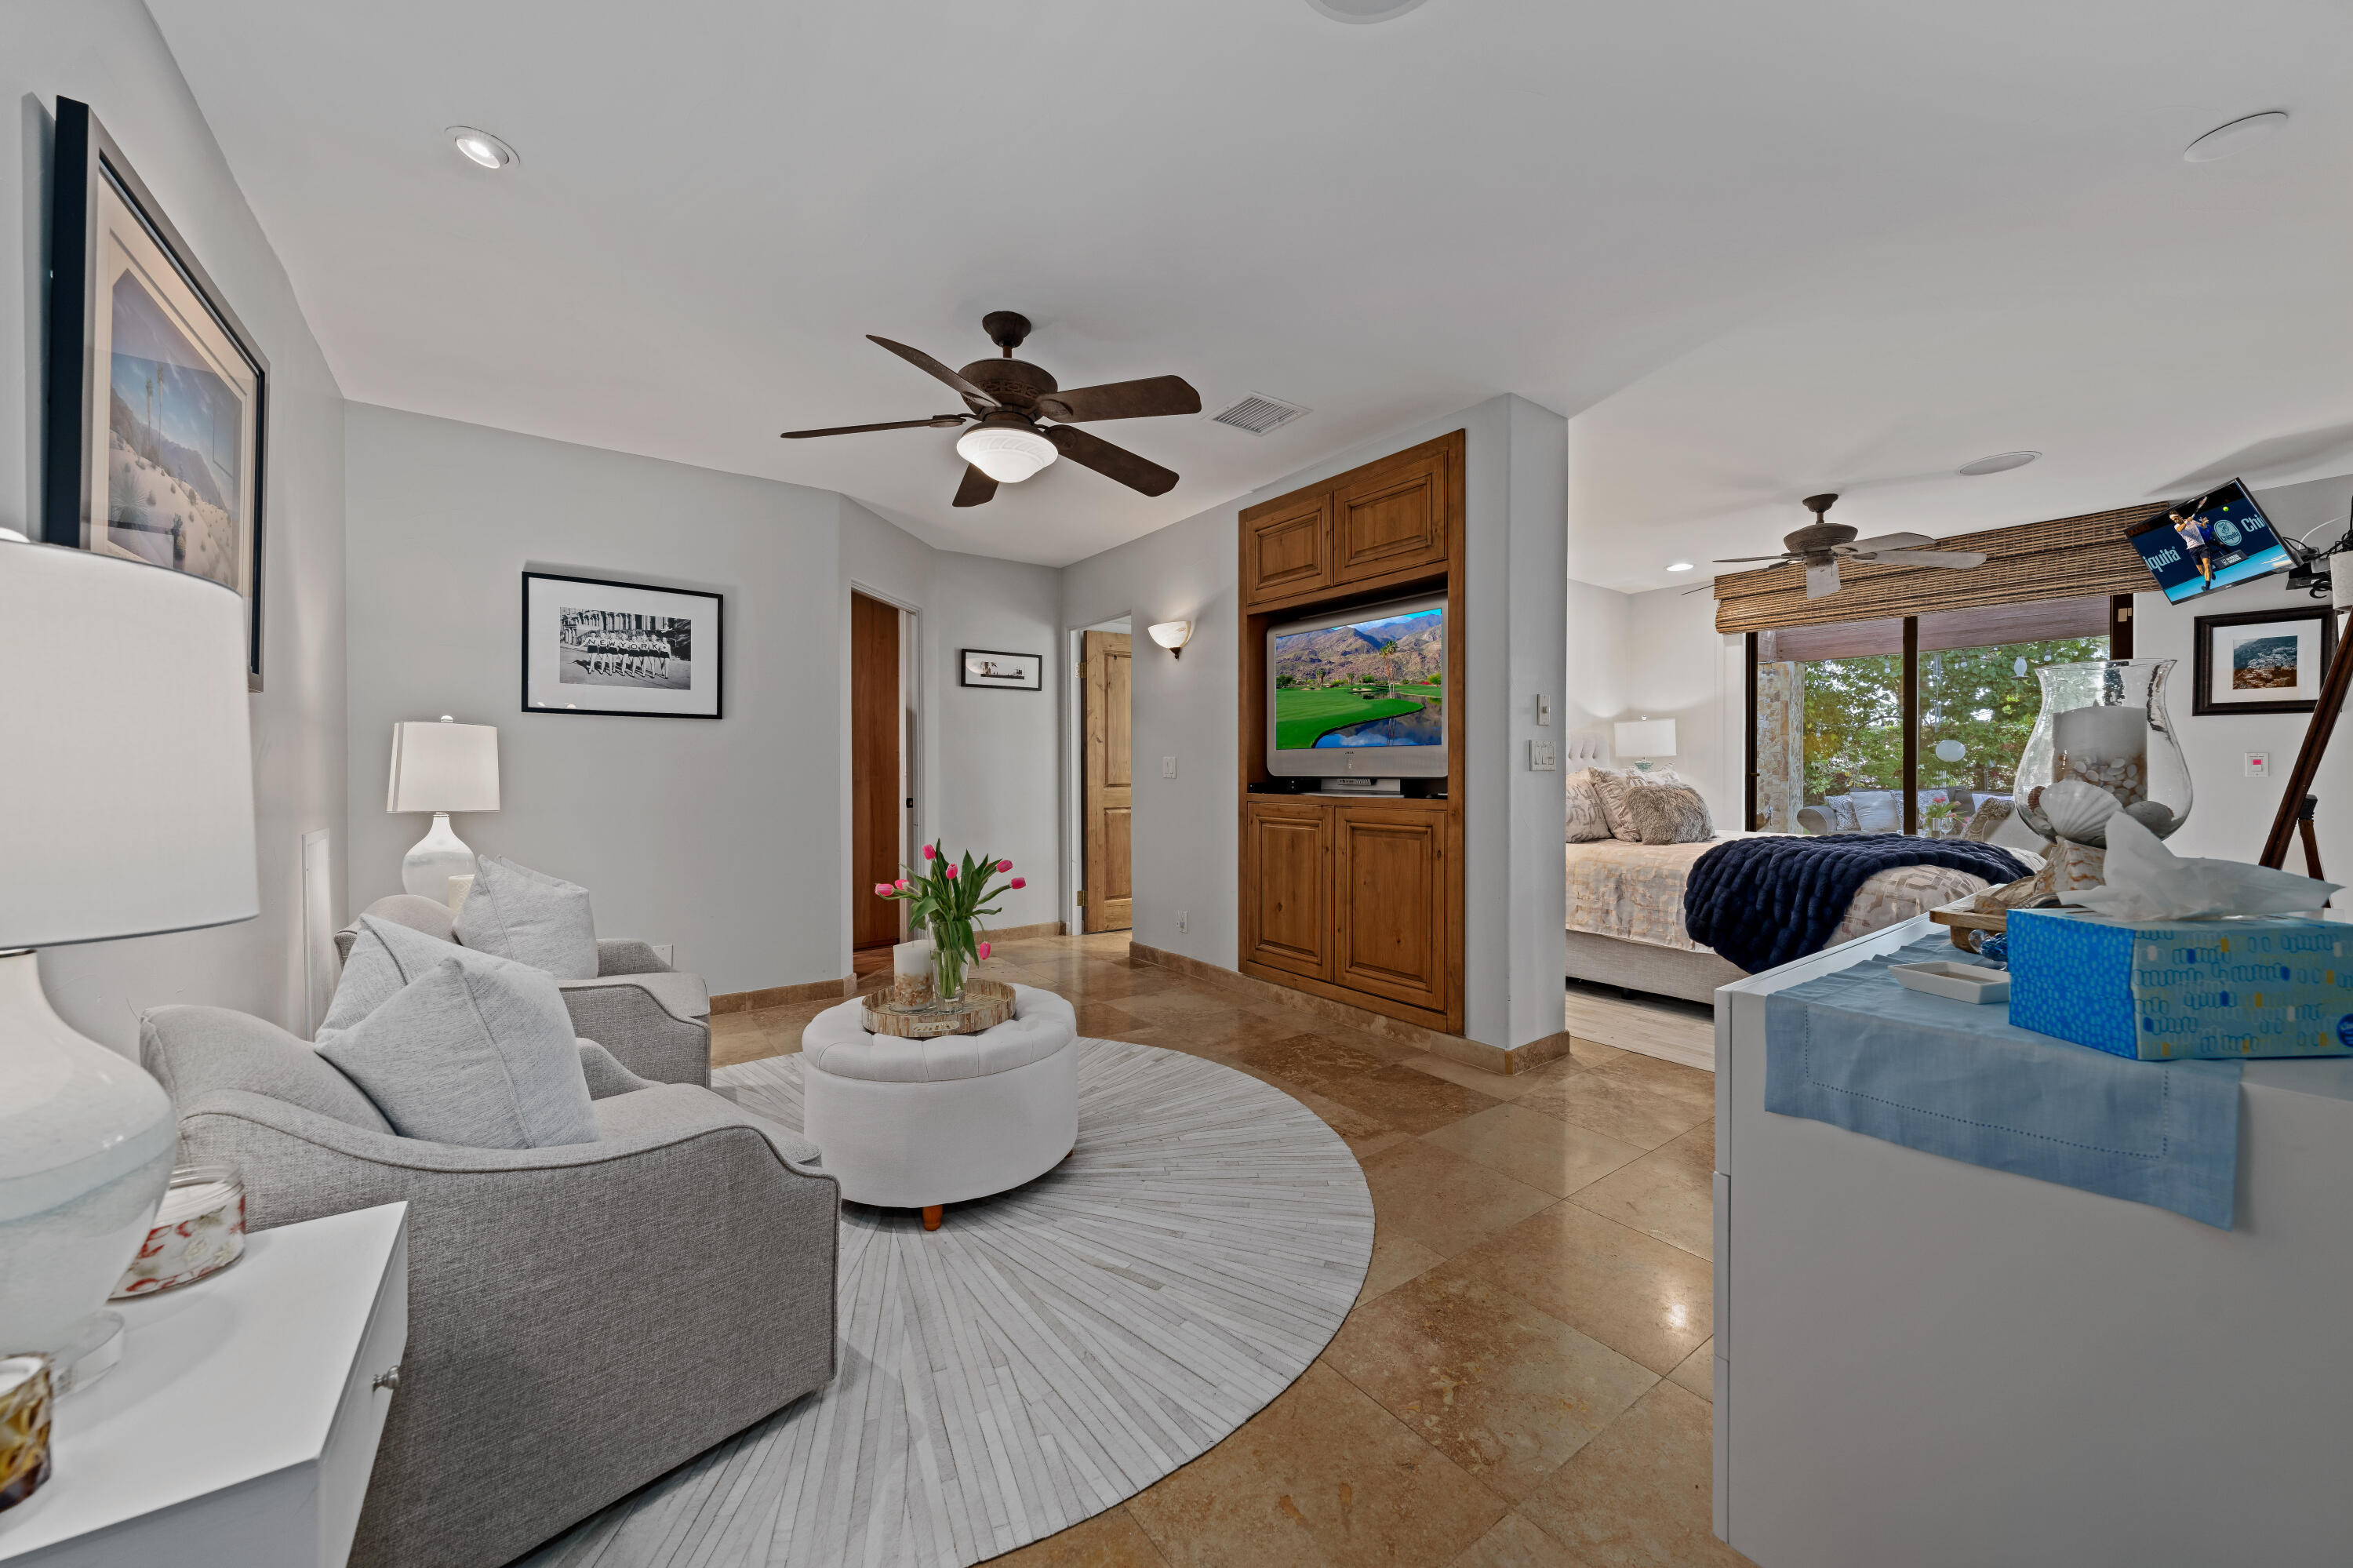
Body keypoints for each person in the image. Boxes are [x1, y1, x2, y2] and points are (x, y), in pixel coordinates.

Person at [2173, 507, 2216, 589]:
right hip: (2192, 549)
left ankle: (2207, 587)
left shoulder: (2192, 521)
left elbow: (2203, 527)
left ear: (2179, 516)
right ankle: (2210, 572)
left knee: (2207, 565)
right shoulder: (2176, 526)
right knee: (2202, 571)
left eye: (2176, 518)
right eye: (2174, 520)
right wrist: (2186, 521)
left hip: (2203, 546)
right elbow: (2180, 529)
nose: (2176, 521)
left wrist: (2204, 523)